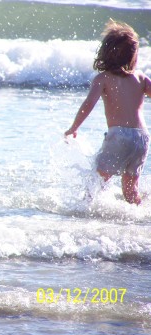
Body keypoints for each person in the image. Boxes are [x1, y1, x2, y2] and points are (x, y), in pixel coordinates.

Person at [65, 19, 151, 205]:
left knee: (96, 181)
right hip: (142, 138)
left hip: (119, 135)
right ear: (133, 56)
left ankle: (84, 210)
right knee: (130, 188)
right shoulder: (141, 78)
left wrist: (74, 127)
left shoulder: (103, 78)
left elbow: (89, 104)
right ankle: (139, 215)